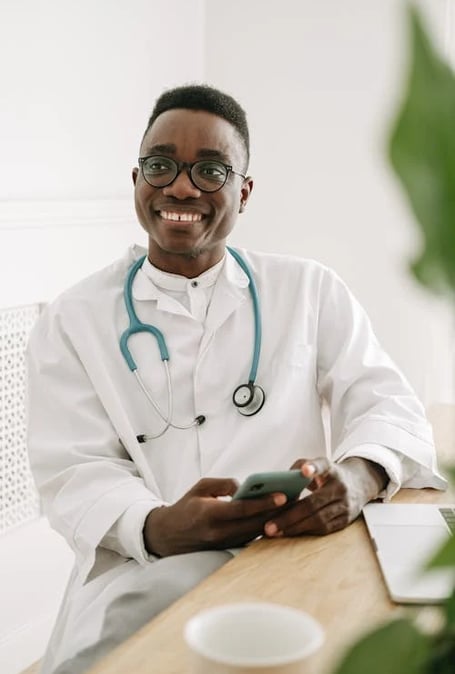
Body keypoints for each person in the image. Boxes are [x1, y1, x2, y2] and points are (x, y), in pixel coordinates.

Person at [27, 83, 446, 674]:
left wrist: (356, 478)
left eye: (211, 170)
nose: (181, 185)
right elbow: (73, 470)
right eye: (162, 164)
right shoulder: (75, 318)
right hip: (144, 572)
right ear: (137, 179)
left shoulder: (308, 290)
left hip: (292, 554)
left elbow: (388, 405)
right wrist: (157, 525)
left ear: (243, 193)